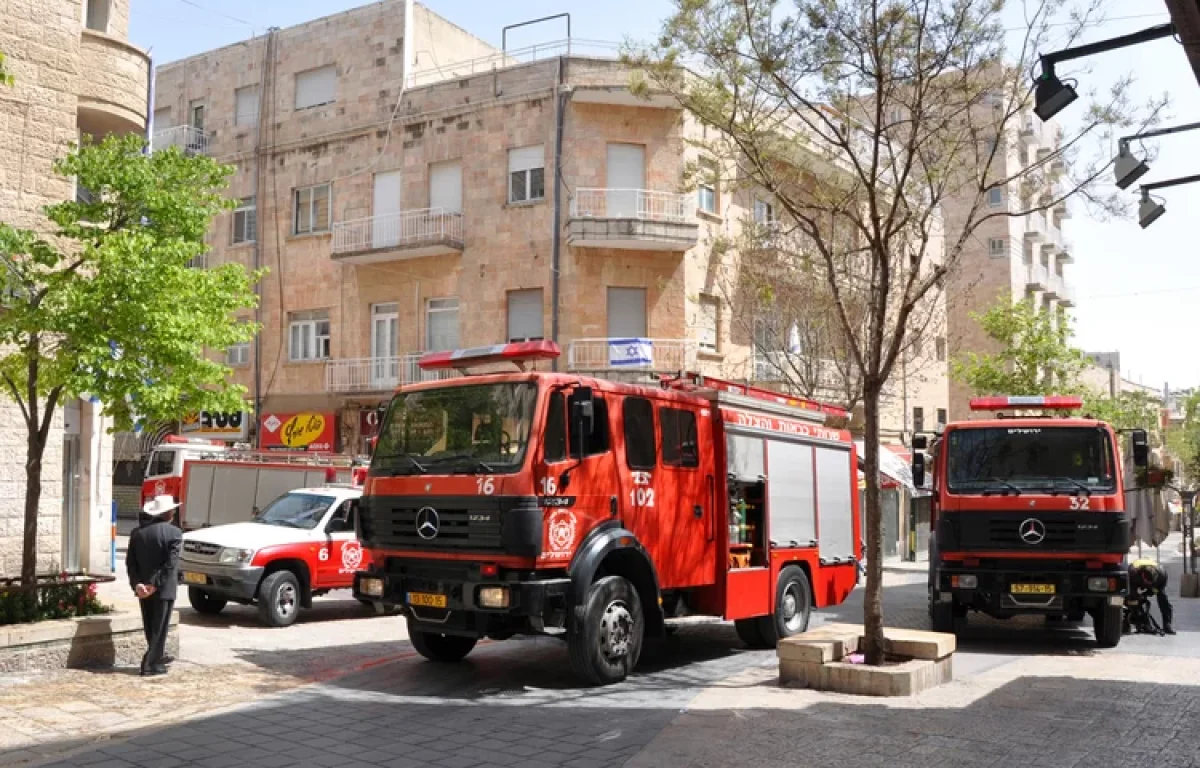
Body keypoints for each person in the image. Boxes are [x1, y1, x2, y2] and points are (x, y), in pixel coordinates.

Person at [127, 494, 183, 676]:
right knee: (160, 627)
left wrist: (138, 584)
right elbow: (170, 564)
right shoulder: (174, 533)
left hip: (143, 588)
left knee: (151, 626)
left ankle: (157, 657)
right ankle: (151, 663)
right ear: (168, 513)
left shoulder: (137, 533)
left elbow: (131, 563)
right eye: (172, 510)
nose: (174, 512)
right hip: (162, 588)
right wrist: (154, 584)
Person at [1129, 558, 1175, 635]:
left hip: (1156, 584)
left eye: (1151, 582)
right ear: (1143, 576)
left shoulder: (1162, 575)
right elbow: (1130, 589)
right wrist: (1138, 597)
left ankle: (1167, 625)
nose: (1149, 584)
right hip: (1134, 580)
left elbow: (1158, 589)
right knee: (1133, 599)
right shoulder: (1133, 573)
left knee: (1163, 599)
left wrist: (1148, 593)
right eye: (1148, 582)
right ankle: (1139, 622)